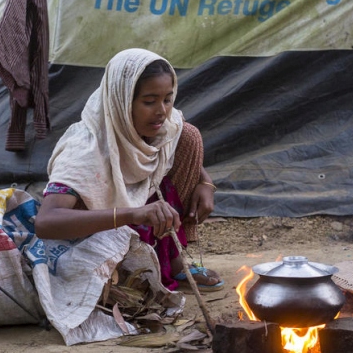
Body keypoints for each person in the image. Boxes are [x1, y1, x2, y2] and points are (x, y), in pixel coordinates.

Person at [34, 48, 223, 292]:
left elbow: (177, 145)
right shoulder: (85, 148)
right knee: (123, 288)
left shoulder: (164, 127)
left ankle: (173, 261)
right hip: (95, 236)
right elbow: (46, 222)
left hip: (141, 216)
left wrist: (205, 183)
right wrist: (132, 214)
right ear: (121, 100)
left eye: (167, 99)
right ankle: (121, 271)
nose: (162, 111)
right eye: (149, 101)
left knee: (188, 136)